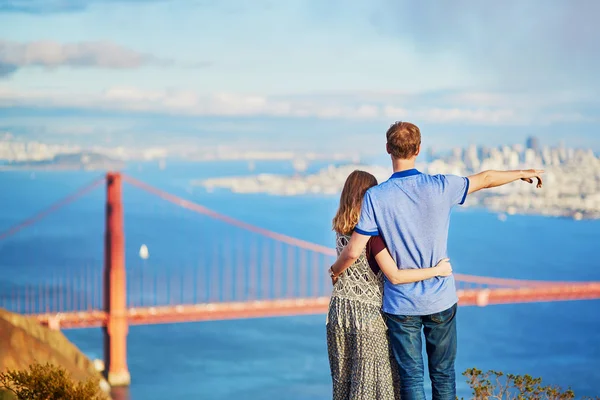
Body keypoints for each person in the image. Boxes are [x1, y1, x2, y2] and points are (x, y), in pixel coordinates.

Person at [328, 122, 544, 400]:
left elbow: (354, 249)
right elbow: (487, 177)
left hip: (401, 304)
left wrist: (335, 272)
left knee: (411, 377)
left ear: (387, 150)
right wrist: (521, 174)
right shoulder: (442, 185)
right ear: (419, 149)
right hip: (440, 297)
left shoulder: (375, 197)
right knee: (443, 375)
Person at [326, 170, 454, 400]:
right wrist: (438, 270)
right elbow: (395, 276)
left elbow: (347, 260)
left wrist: (334, 270)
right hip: (369, 318)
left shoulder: (340, 230)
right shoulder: (373, 237)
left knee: (346, 383)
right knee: (376, 385)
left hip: (340, 313)